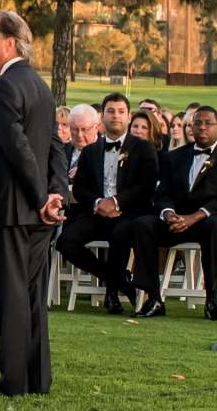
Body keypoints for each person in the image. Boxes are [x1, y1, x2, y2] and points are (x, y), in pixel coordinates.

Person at [0, 10, 65, 396]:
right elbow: (56, 147)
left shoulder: (4, 87)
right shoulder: (40, 86)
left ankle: (13, 380)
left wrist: (44, 198)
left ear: (9, 43)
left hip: (12, 208)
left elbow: (18, 149)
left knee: (11, 296)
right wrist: (55, 195)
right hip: (37, 210)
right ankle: (37, 378)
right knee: (31, 296)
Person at [128, 104, 217, 321]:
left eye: (207, 123)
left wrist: (196, 216)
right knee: (142, 224)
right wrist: (168, 213)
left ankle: (212, 299)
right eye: (197, 123)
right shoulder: (174, 157)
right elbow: (163, 193)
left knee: (216, 226)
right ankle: (154, 297)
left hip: (213, 220)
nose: (201, 128)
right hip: (178, 221)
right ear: (190, 128)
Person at [61, 91, 157, 314]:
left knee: (119, 234)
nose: (115, 116)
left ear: (129, 116)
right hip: (97, 214)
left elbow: (146, 186)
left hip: (129, 213)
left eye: (121, 112)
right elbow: (81, 188)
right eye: (110, 111)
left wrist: (115, 201)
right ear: (102, 116)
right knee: (66, 241)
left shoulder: (143, 148)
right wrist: (97, 203)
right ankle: (121, 281)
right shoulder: (92, 150)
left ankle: (112, 294)